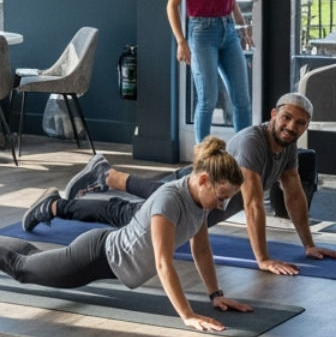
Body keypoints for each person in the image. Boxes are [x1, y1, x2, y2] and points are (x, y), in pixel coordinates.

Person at [0, 137, 255, 333]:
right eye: (222, 195)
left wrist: (215, 295)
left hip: (103, 256)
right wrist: (187, 315)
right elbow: (162, 262)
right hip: (97, 256)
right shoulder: (170, 200)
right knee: (23, 269)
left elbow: (202, 252)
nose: (223, 204)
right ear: (202, 181)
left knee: (32, 258)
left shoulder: (200, 205)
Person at [29, 94, 336, 276]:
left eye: (299, 123)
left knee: (135, 205)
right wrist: (263, 259)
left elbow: (294, 192)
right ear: (274, 114)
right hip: (188, 194)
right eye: (286, 118)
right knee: (125, 216)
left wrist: (308, 245)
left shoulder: (287, 144)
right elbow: (254, 203)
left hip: (197, 202)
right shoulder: (254, 143)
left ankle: (104, 175)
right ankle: (56, 205)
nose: (291, 126)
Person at [169, 0, 252, 142]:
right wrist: (181, 42)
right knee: (207, 99)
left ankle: (244, 156)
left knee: (242, 100)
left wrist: (243, 26)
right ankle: (202, 159)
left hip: (229, 33)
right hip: (201, 34)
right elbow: (172, 5)